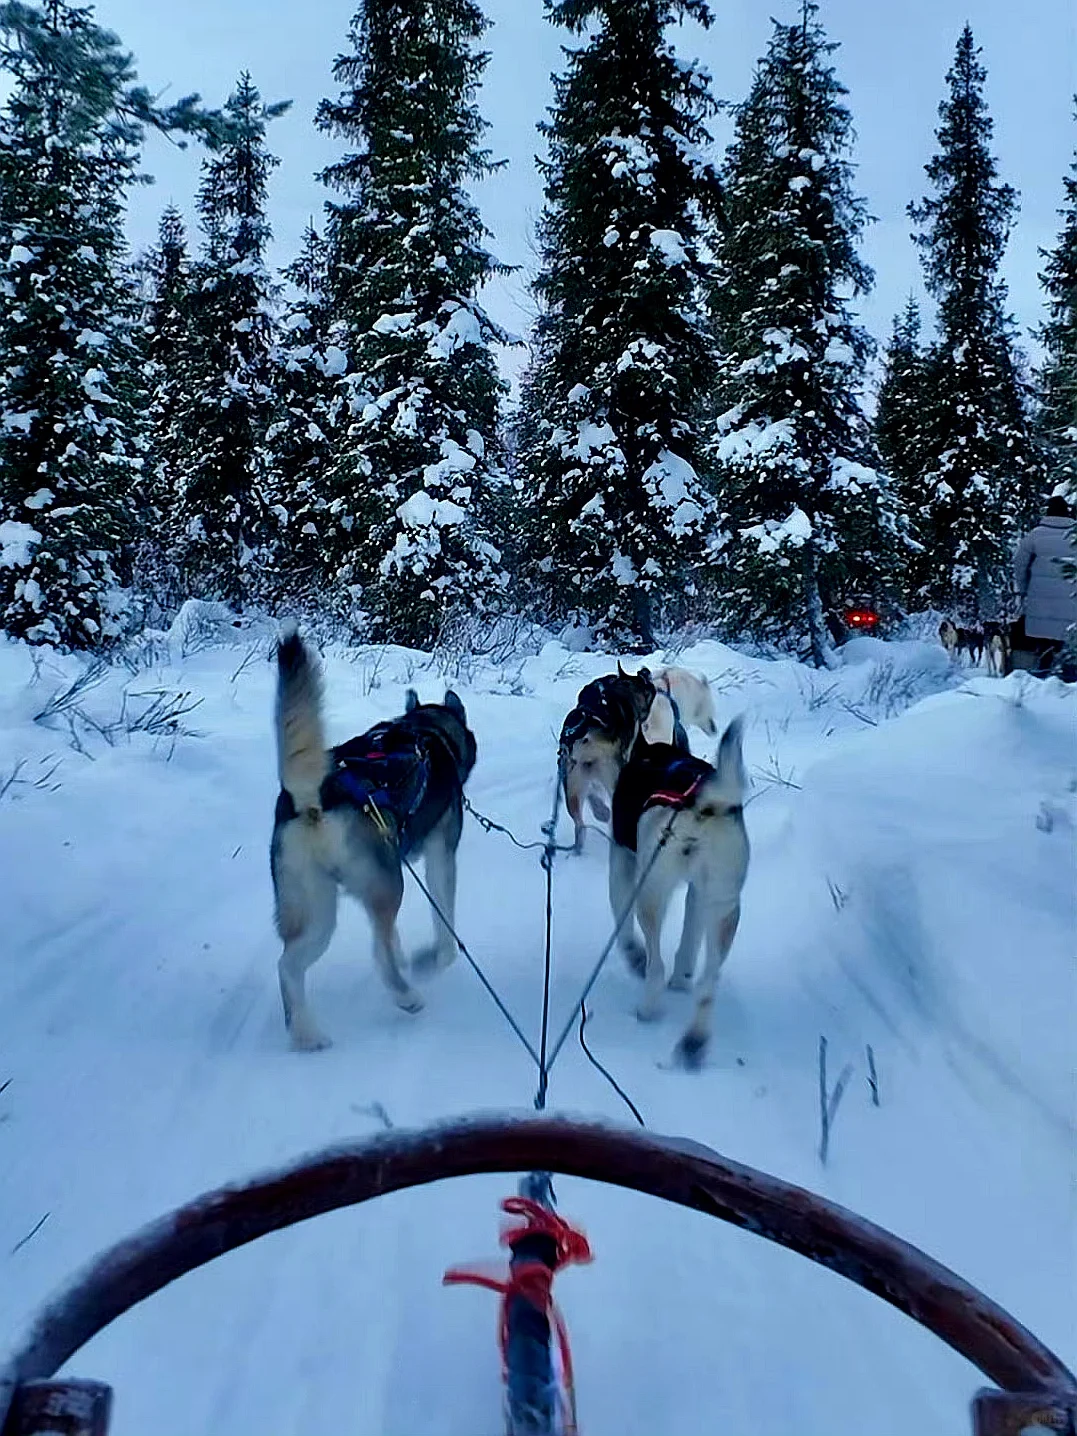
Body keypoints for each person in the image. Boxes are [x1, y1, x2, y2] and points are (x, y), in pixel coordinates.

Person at [1013, 495, 1077, 677]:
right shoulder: (1075, 536)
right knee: (1069, 648)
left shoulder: (1034, 536)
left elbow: (1020, 565)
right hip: (1072, 603)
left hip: (1040, 604)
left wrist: (1024, 590)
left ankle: (1040, 680)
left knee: (1043, 646)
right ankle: (1069, 681)